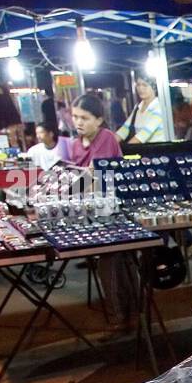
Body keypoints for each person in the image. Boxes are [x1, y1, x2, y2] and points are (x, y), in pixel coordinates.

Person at [60, 94, 136, 332]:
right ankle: (125, 314)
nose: (78, 122)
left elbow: (95, 178)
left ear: (99, 119)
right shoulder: (74, 144)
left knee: (113, 261)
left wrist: (74, 184)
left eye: (85, 118)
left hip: (113, 212)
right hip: (90, 213)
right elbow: (76, 178)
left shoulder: (107, 138)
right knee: (113, 263)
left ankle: (121, 317)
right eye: (75, 117)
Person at [116, 78, 165, 144]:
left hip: (157, 152)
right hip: (141, 150)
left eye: (145, 85)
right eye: (138, 85)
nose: (140, 88)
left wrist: (124, 150)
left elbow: (142, 135)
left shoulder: (159, 108)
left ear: (154, 88)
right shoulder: (138, 107)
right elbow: (124, 130)